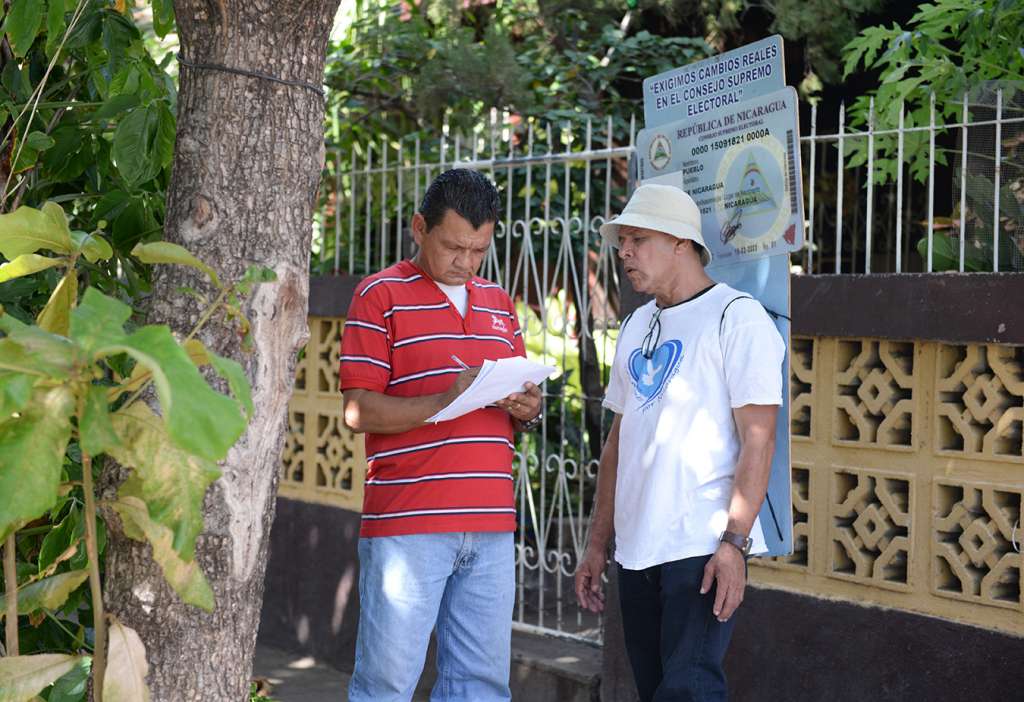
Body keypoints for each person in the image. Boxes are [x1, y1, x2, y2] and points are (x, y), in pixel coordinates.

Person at [574, 183, 785, 701]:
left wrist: (734, 544)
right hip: (638, 550)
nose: (623, 252)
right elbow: (617, 447)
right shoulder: (635, 325)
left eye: (637, 239)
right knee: (657, 691)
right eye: (622, 241)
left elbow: (758, 441)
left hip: (701, 546)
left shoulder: (737, 318)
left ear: (681, 243)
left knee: (688, 690)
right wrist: (597, 543)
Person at [340, 168, 543, 702]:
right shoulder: (379, 295)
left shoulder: (499, 303)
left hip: (492, 525)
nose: (466, 262)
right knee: (385, 685)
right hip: (409, 524)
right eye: (454, 246)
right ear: (418, 228)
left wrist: (527, 408)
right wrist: (445, 399)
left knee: (481, 687)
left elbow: (517, 409)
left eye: (479, 250)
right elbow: (357, 411)